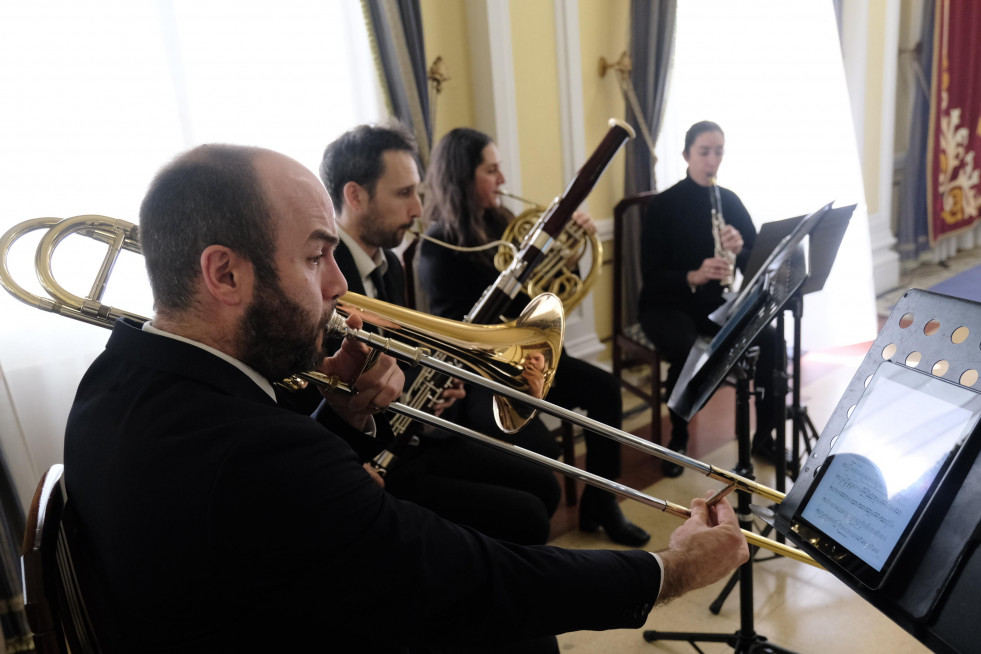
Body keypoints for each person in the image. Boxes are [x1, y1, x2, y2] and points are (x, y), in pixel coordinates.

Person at [62, 143, 747, 652]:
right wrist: (670, 571)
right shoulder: (254, 454)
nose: (338, 285)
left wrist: (346, 417)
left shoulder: (115, 379)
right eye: (312, 257)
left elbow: (268, 522)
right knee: (512, 623)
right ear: (223, 274)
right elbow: (470, 578)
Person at [319, 122, 561, 549]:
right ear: (354, 196)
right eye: (403, 194)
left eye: (418, 192)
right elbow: (329, 384)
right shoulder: (325, 274)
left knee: (545, 484)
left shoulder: (388, 265)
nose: (417, 209)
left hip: (411, 435)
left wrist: (425, 383)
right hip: (368, 459)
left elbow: (393, 356)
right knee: (524, 517)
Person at [416, 127, 650, 548]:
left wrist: (569, 251)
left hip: (526, 363)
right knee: (539, 447)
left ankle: (601, 501)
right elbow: (476, 324)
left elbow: (545, 295)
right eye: (491, 170)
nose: (502, 180)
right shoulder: (439, 245)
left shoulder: (501, 221)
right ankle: (516, 539)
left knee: (604, 391)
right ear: (461, 178)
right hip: (477, 380)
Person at [638, 120, 776, 478]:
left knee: (772, 339)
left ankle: (764, 436)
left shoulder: (728, 200)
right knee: (686, 349)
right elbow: (651, 277)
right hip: (666, 304)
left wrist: (741, 248)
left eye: (718, 152)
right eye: (704, 152)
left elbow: (758, 266)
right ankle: (679, 437)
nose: (712, 160)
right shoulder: (664, 206)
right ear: (686, 155)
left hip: (714, 303)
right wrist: (693, 276)